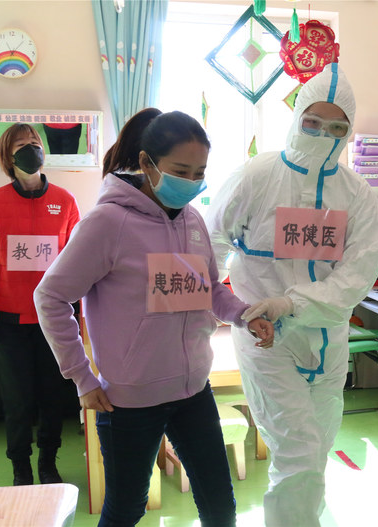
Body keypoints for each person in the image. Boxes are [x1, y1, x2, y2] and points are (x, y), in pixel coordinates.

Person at [34, 108, 274, 527]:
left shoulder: (194, 221)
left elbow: (208, 288)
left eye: (200, 172)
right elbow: (51, 297)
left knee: (220, 503)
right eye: (181, 170)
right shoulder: (108, 222)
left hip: (193, 390)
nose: (192, 182)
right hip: (129, 401)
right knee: (126, 509)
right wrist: (81, 377)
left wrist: (243, 314)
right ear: (146, 163)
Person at [205, 63, 378, 527]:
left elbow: (357, 275)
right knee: (298, 452)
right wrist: (220, 305)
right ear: (295, 117)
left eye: (336, 127)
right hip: (265, 336)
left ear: (348, 133)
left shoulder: (358, 197)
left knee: (316, 451)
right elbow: (209, 243)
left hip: (329, 338)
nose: (322, 134)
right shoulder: (257, 175)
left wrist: (295, 303)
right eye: (312, 122)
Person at [0, 123, 81, 485]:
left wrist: (79, 313)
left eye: (35, 142)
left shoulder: (65, 201)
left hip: (53, 319)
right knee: (18, 401)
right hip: (8, 321)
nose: (31, 147)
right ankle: (20, 467)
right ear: (8, 156)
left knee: (53, 397)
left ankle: (48, 462)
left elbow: (77, 261)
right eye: (22, 144)